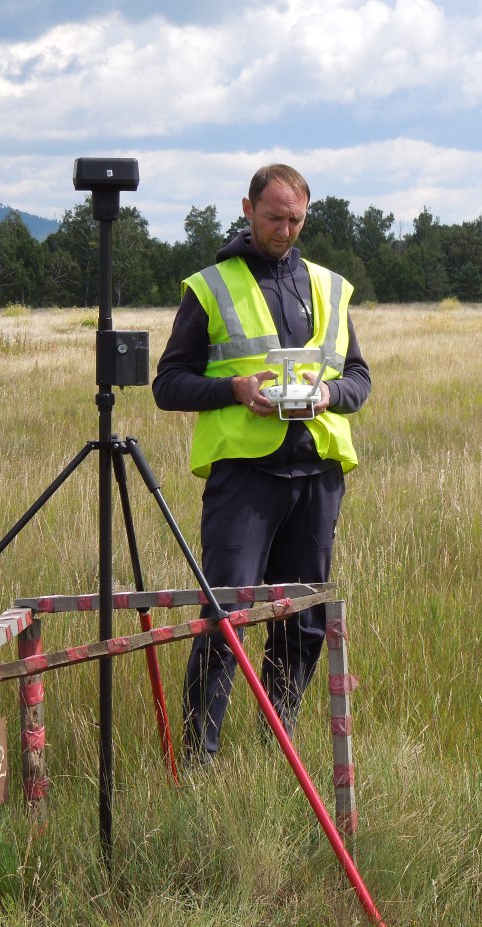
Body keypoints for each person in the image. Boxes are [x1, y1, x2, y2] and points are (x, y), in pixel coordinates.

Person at [152, 163, 372, 765]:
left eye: (296, 218)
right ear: (246, 210)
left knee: (303, 621)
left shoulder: (329, 285)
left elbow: (359, 377)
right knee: (227, 616)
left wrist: (331, 396)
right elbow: (167, 384)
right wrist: (235, 390)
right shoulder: (209, 287)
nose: (284, 229)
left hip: (317, 472)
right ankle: (200, 759)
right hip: (245, 478)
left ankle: (279, 744)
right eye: (274, 217)